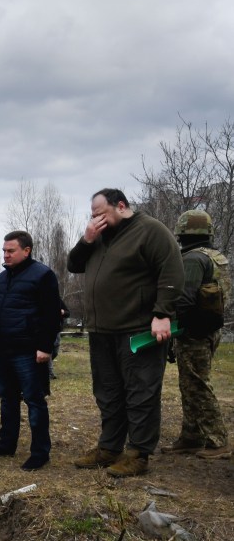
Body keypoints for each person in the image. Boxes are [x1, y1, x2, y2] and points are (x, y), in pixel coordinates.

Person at [67, 188, 184, 477]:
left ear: (121, 206)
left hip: (138, 329)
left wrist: (162, 313)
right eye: (92, 216)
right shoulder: (98, 237)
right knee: (108, 392)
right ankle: (109, 448)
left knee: (140, 392)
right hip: (102, 330)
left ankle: (138, 454)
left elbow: (172, 271)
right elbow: (73, 264)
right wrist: (87, 238)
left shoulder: (150, 230)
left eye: (100, 214)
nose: (96, 220)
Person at [0, 231, 61, 471]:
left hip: (29, 351)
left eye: (10, 251)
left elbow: (51, 314)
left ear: (26, 250)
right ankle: (6, 445)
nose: (5, 255)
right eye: (4, 251)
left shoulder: (43, 275)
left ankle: (40, 453)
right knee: (7, 400)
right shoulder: (2, 278)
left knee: (35, 401)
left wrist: (45, 348)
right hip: (5, 350)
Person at [162, 209, 230, 459]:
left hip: (194, 333)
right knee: (190, 384)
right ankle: (191, 437)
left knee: (198, 385)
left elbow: (184, 300)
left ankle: (218, 441)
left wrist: (173, 327)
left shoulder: (191, 259)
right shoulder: (216, 256)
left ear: (181, 232)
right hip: (209, 328)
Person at [48, 298, 71, 380]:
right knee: (48, 350)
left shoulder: (58, 300)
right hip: (45, 329)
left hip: (57, 329)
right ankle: (50, 373)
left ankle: (44, 365)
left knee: (55, 351)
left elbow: (68, 313)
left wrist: (63, 312)